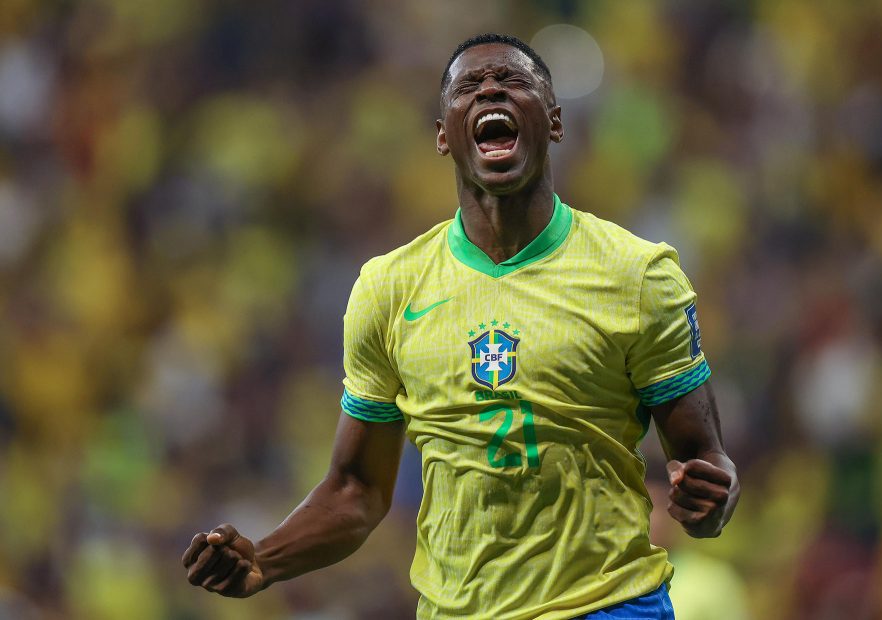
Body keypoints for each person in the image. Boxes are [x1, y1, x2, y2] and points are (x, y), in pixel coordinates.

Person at [182, 33, 739, 620]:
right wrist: (265, 560)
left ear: (554, 122)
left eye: (514, 80)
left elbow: (706, 462)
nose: (491, 88)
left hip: (606, 606)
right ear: (444, 136)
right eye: (468, 86)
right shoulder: (389, 289)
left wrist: (709, 502)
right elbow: (356, 492)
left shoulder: (637, 274)